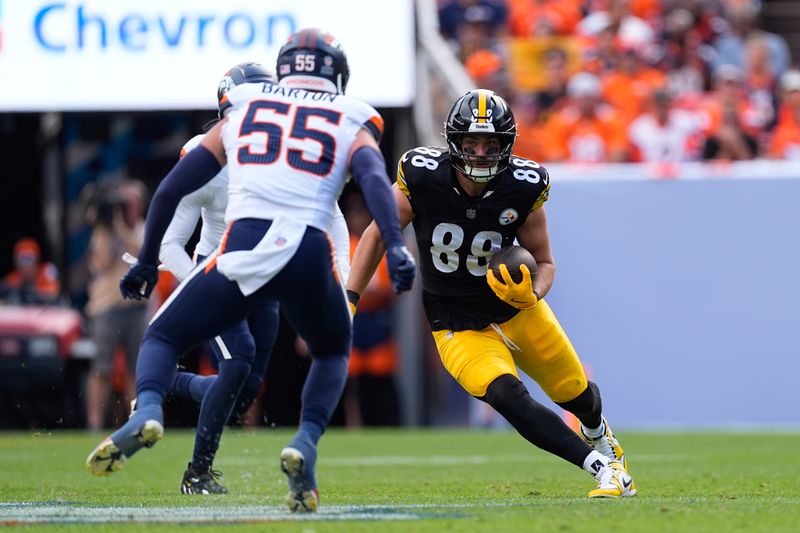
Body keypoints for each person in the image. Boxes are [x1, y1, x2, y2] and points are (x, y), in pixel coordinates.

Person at [86, 28, 416, 513]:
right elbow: (372, 180)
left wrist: (147, 260)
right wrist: (395, 246)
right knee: (329, 352)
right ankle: (303, 443)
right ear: (337, 76)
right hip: (301, 256)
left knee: (161, 339)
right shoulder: (350, 116)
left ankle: (151, 405)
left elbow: (167, 191)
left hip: (239, 256)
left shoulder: (243, 112)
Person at [347, 89, 636, 498]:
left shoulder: (523, 185)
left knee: (576, 394)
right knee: (506, 395)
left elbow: (546, 262)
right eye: (471, 143)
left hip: (517, 311)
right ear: (455, 143)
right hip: (455, 323)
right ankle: (604, 469)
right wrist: (350, 298)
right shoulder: (423, 174)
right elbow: (377, 233)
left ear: (507, 144)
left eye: (491, 144)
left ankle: (599, 433)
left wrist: (532, 294)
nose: (481, 153)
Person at [155, 62, 352, 494]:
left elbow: (334, 220)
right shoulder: (205, 156)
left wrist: (344, 285)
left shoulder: (289, 151)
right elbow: (171, 244)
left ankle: (169, 381)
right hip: (219, 268)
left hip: (266, 274)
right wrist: (203, 281)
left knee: (244, 391)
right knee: (238, 357)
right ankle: (197, 473)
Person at [84, 180, 148, 431]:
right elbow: (101, 263)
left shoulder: (145, 228)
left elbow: (141, 254)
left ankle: (139, 420)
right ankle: (94, 423)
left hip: (136, 307)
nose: (125, 208)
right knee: (101, 368)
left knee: (137, 369)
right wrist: (104, 226)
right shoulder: (103, 231)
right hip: (107, 307)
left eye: (129, 203)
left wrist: (121, 227)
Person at [0, 238, 60, 305]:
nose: (26, 266)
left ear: (37, 260)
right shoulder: (14, 278)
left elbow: (53, 294)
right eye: (22, 260)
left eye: (29, 259)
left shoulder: (46, 272)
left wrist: (30, 293)